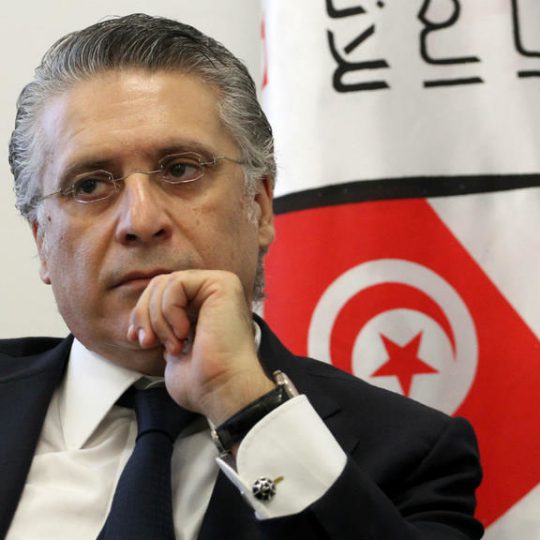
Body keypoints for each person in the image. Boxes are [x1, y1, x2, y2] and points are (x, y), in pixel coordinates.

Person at [1, 13, 483, 539]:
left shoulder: (411, 452)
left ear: (259, 206)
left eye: (181, 169)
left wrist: (245, 406)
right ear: (41, 241)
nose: (141, 220)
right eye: (90, 185)